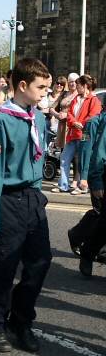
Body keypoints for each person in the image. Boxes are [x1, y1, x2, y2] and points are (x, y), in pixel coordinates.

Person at [0, 58, 52, 354]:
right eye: (41, 88)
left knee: (40, 263)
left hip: (33, 199)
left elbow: (38, 157)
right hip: (9, 199)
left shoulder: (38, 118)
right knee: (4, 267)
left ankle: (21, 321)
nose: (46, 93)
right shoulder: (1, 121)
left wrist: (38, 195)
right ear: (22, 86)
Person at [52, 74, 101, 194]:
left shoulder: (94, 100)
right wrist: (74, 122)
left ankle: (82, 185)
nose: (76, 87)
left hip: (85, 135)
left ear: (84, 86)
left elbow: (93, 117)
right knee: (64, 158)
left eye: (78, 84)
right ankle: (63, 185)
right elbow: (69, 114)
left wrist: (81, 123)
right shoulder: (75, 99)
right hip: (73, 134)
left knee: (83, 160)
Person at [78, 115, 106, 276]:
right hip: (102, 173)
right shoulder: (95, 122)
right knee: (103, 223)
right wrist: (92, 179)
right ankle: (88, 253)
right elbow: (94, 151)